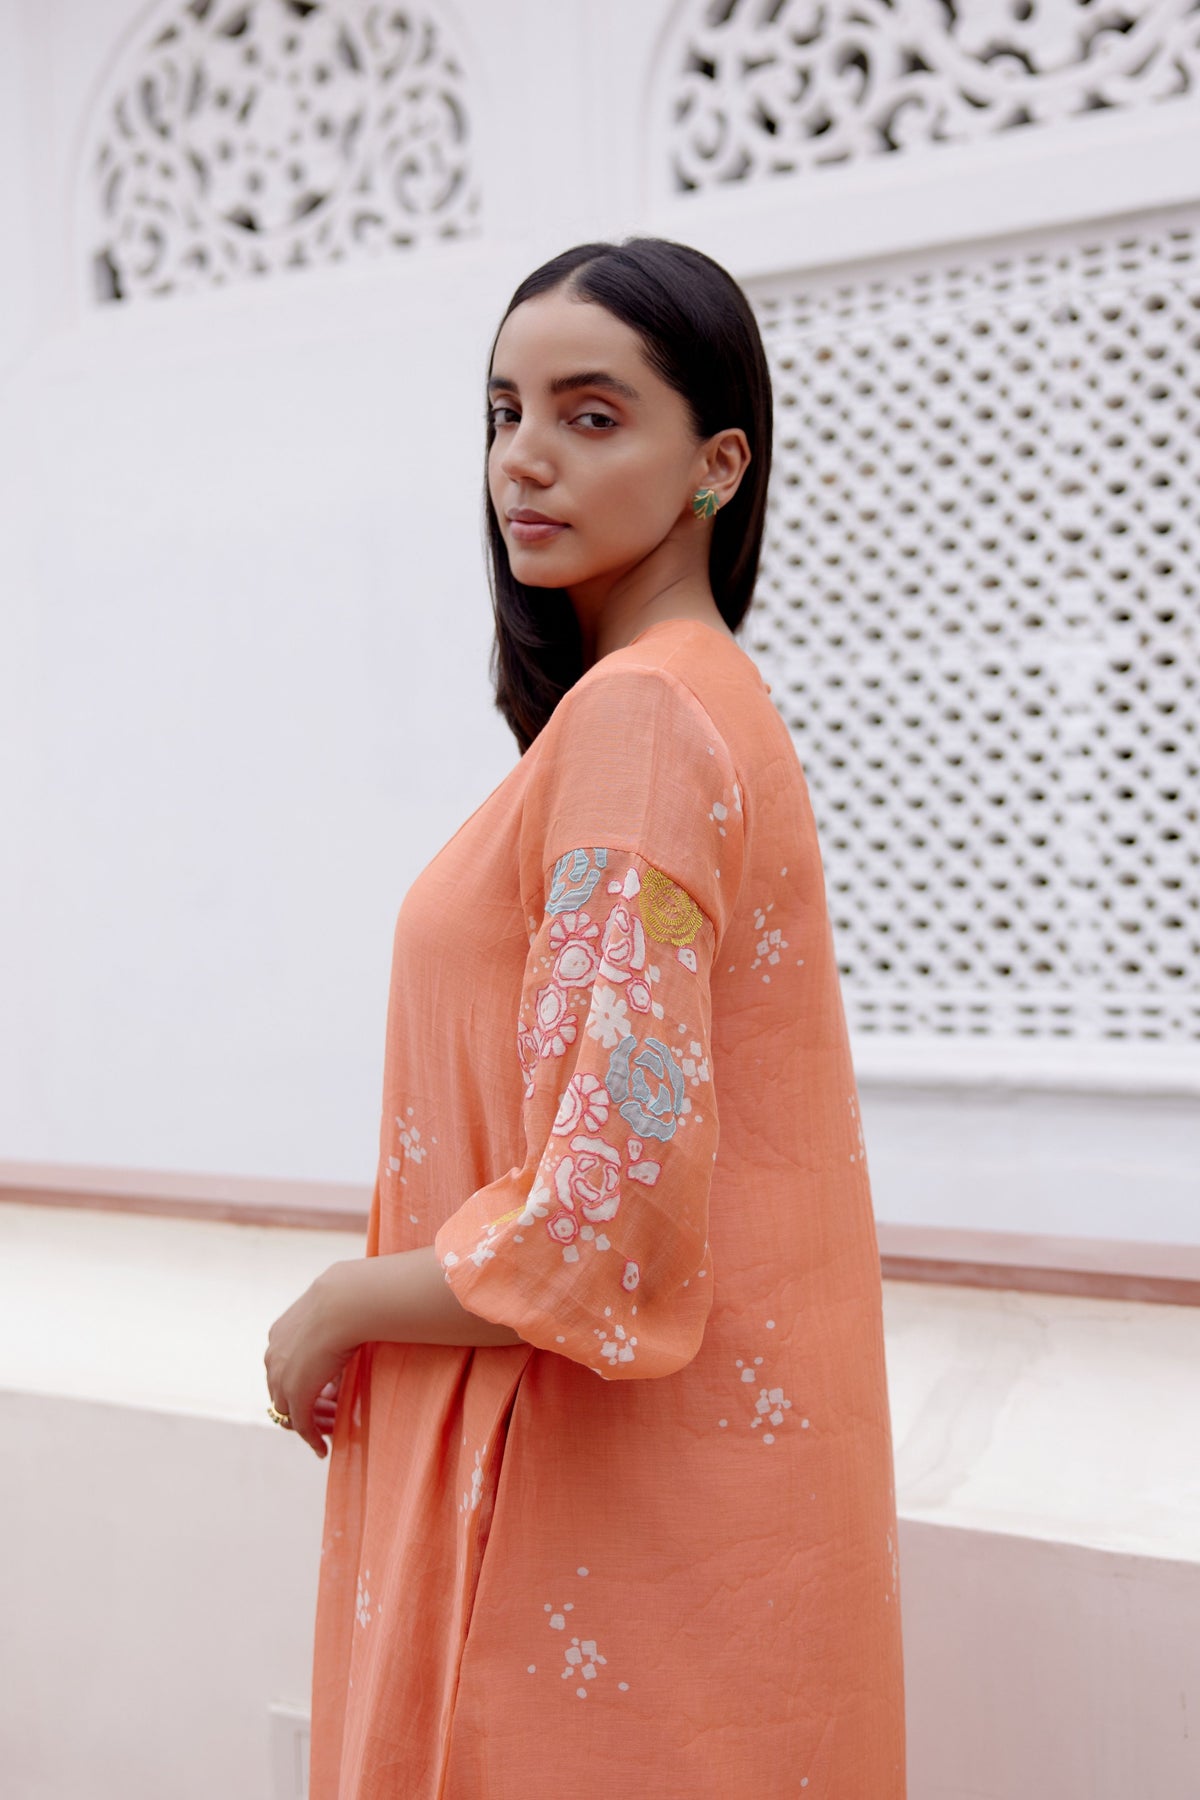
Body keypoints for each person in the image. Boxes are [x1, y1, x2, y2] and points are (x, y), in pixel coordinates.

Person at [264, 235, 906, 1798]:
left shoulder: (637, 722)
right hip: (681, 1518)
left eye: (592, 414)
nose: (522, 459)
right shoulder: (696, 706)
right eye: (502, 412)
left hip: (582, 1520)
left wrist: (338, 1308)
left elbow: (597, 1219)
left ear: (718, 463)